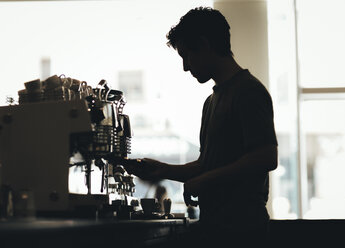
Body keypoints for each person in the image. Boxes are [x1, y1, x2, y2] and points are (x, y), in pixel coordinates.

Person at [114, 6, 278, 247]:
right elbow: (205, 165)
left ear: (204, 44)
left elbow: (266, 157)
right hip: (217, 226)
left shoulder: (249, 91)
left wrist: (206, 181)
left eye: (186, 56)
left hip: (242, 229)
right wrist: (162, 170)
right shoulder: (211, 101)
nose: (185, 67)